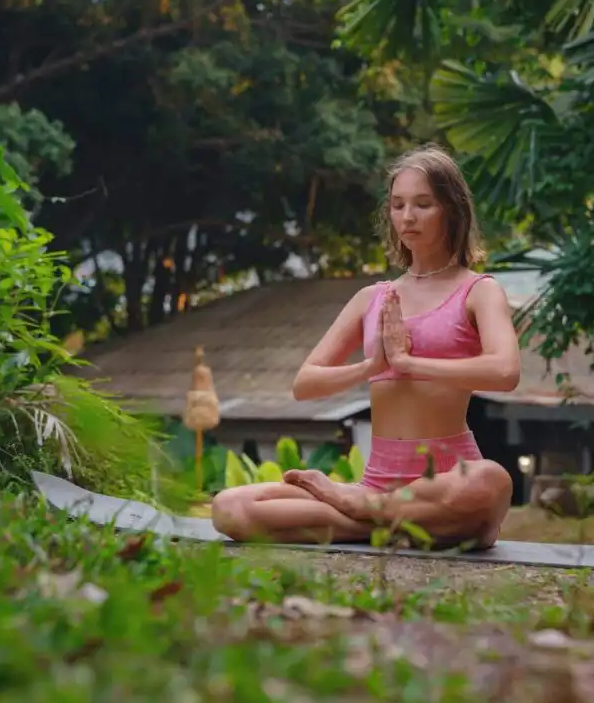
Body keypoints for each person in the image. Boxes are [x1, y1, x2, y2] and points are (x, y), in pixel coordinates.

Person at [211, 145, 520, 549]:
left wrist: (409, 362)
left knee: (491, 481)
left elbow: (505, 371)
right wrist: (373, 366)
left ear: (452, 209)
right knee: (230, 508)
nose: (407, 217)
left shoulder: (478, 291)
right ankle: (384, 517)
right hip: (375, 484)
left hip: (446, 479)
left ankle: (371, 513)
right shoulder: (372, 298)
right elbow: (305, 384)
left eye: (423, 204)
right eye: (398, 205)